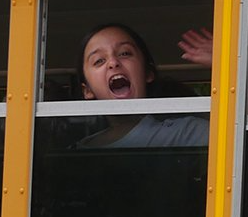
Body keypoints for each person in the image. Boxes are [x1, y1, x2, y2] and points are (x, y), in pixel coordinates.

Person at [76, 23, 209, 148]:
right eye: (99, 60)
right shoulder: (77, 150)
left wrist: (227, 64)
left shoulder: (186, 134)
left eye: (124, 53)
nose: (113, 62)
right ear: (87, 90)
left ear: (147, 73)